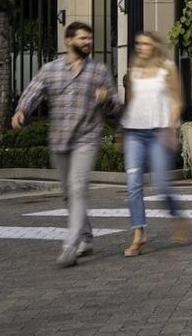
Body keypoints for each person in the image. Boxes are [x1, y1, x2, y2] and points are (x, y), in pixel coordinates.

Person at [11, 21, 118, 267]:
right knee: (69, 194)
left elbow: (115, 106)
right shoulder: (51, 70)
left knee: (78, 188)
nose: (87, 43)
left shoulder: (98, 71)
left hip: (86, 138)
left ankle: (70, 245)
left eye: (89, 39)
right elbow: (33, 91)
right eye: (82, 38)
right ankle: (87, 238)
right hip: (59, 139)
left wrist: (106, 99)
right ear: (68, 40)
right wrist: (21, 111)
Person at [119, 32, 190, 256]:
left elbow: (177, 101)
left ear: (156, 46)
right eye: (138, 43)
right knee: (133, 184)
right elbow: (130, 102)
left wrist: (171, 128)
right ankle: (138, 234)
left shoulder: (167, 68)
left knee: (161, 184)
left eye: (146, 43)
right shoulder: (134, 70)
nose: (141, 47)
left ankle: (177, 217)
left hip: (159, 131)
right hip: (135, 133)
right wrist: (121, 132)